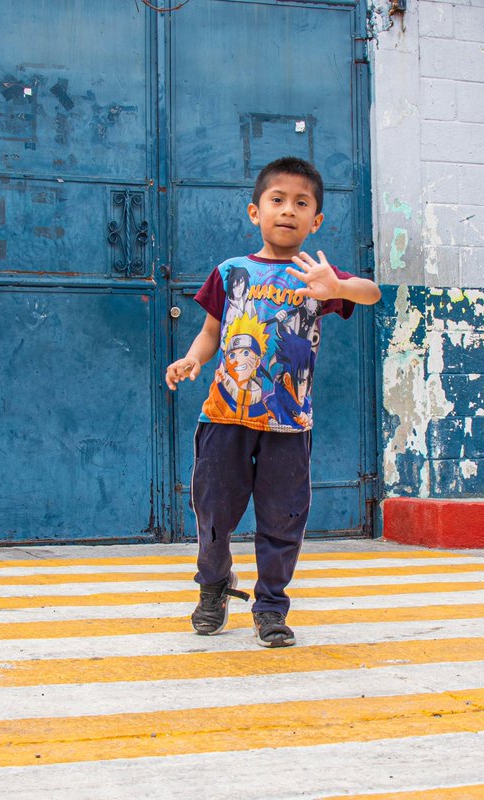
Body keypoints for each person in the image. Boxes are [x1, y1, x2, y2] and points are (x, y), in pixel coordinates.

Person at [164, 156, 381, 648]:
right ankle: (215, 586)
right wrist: (192, 360)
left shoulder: (318, 274)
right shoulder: (230, 271)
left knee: (283, 519)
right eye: (277, 200)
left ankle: (270, 608)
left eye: (301, 203)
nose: (288, 211)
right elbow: (211, 333)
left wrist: (340, 287)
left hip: (289, 421)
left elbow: (371, 293)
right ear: (254, 212)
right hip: (225, 417)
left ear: (316, 220)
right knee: (212, 514)